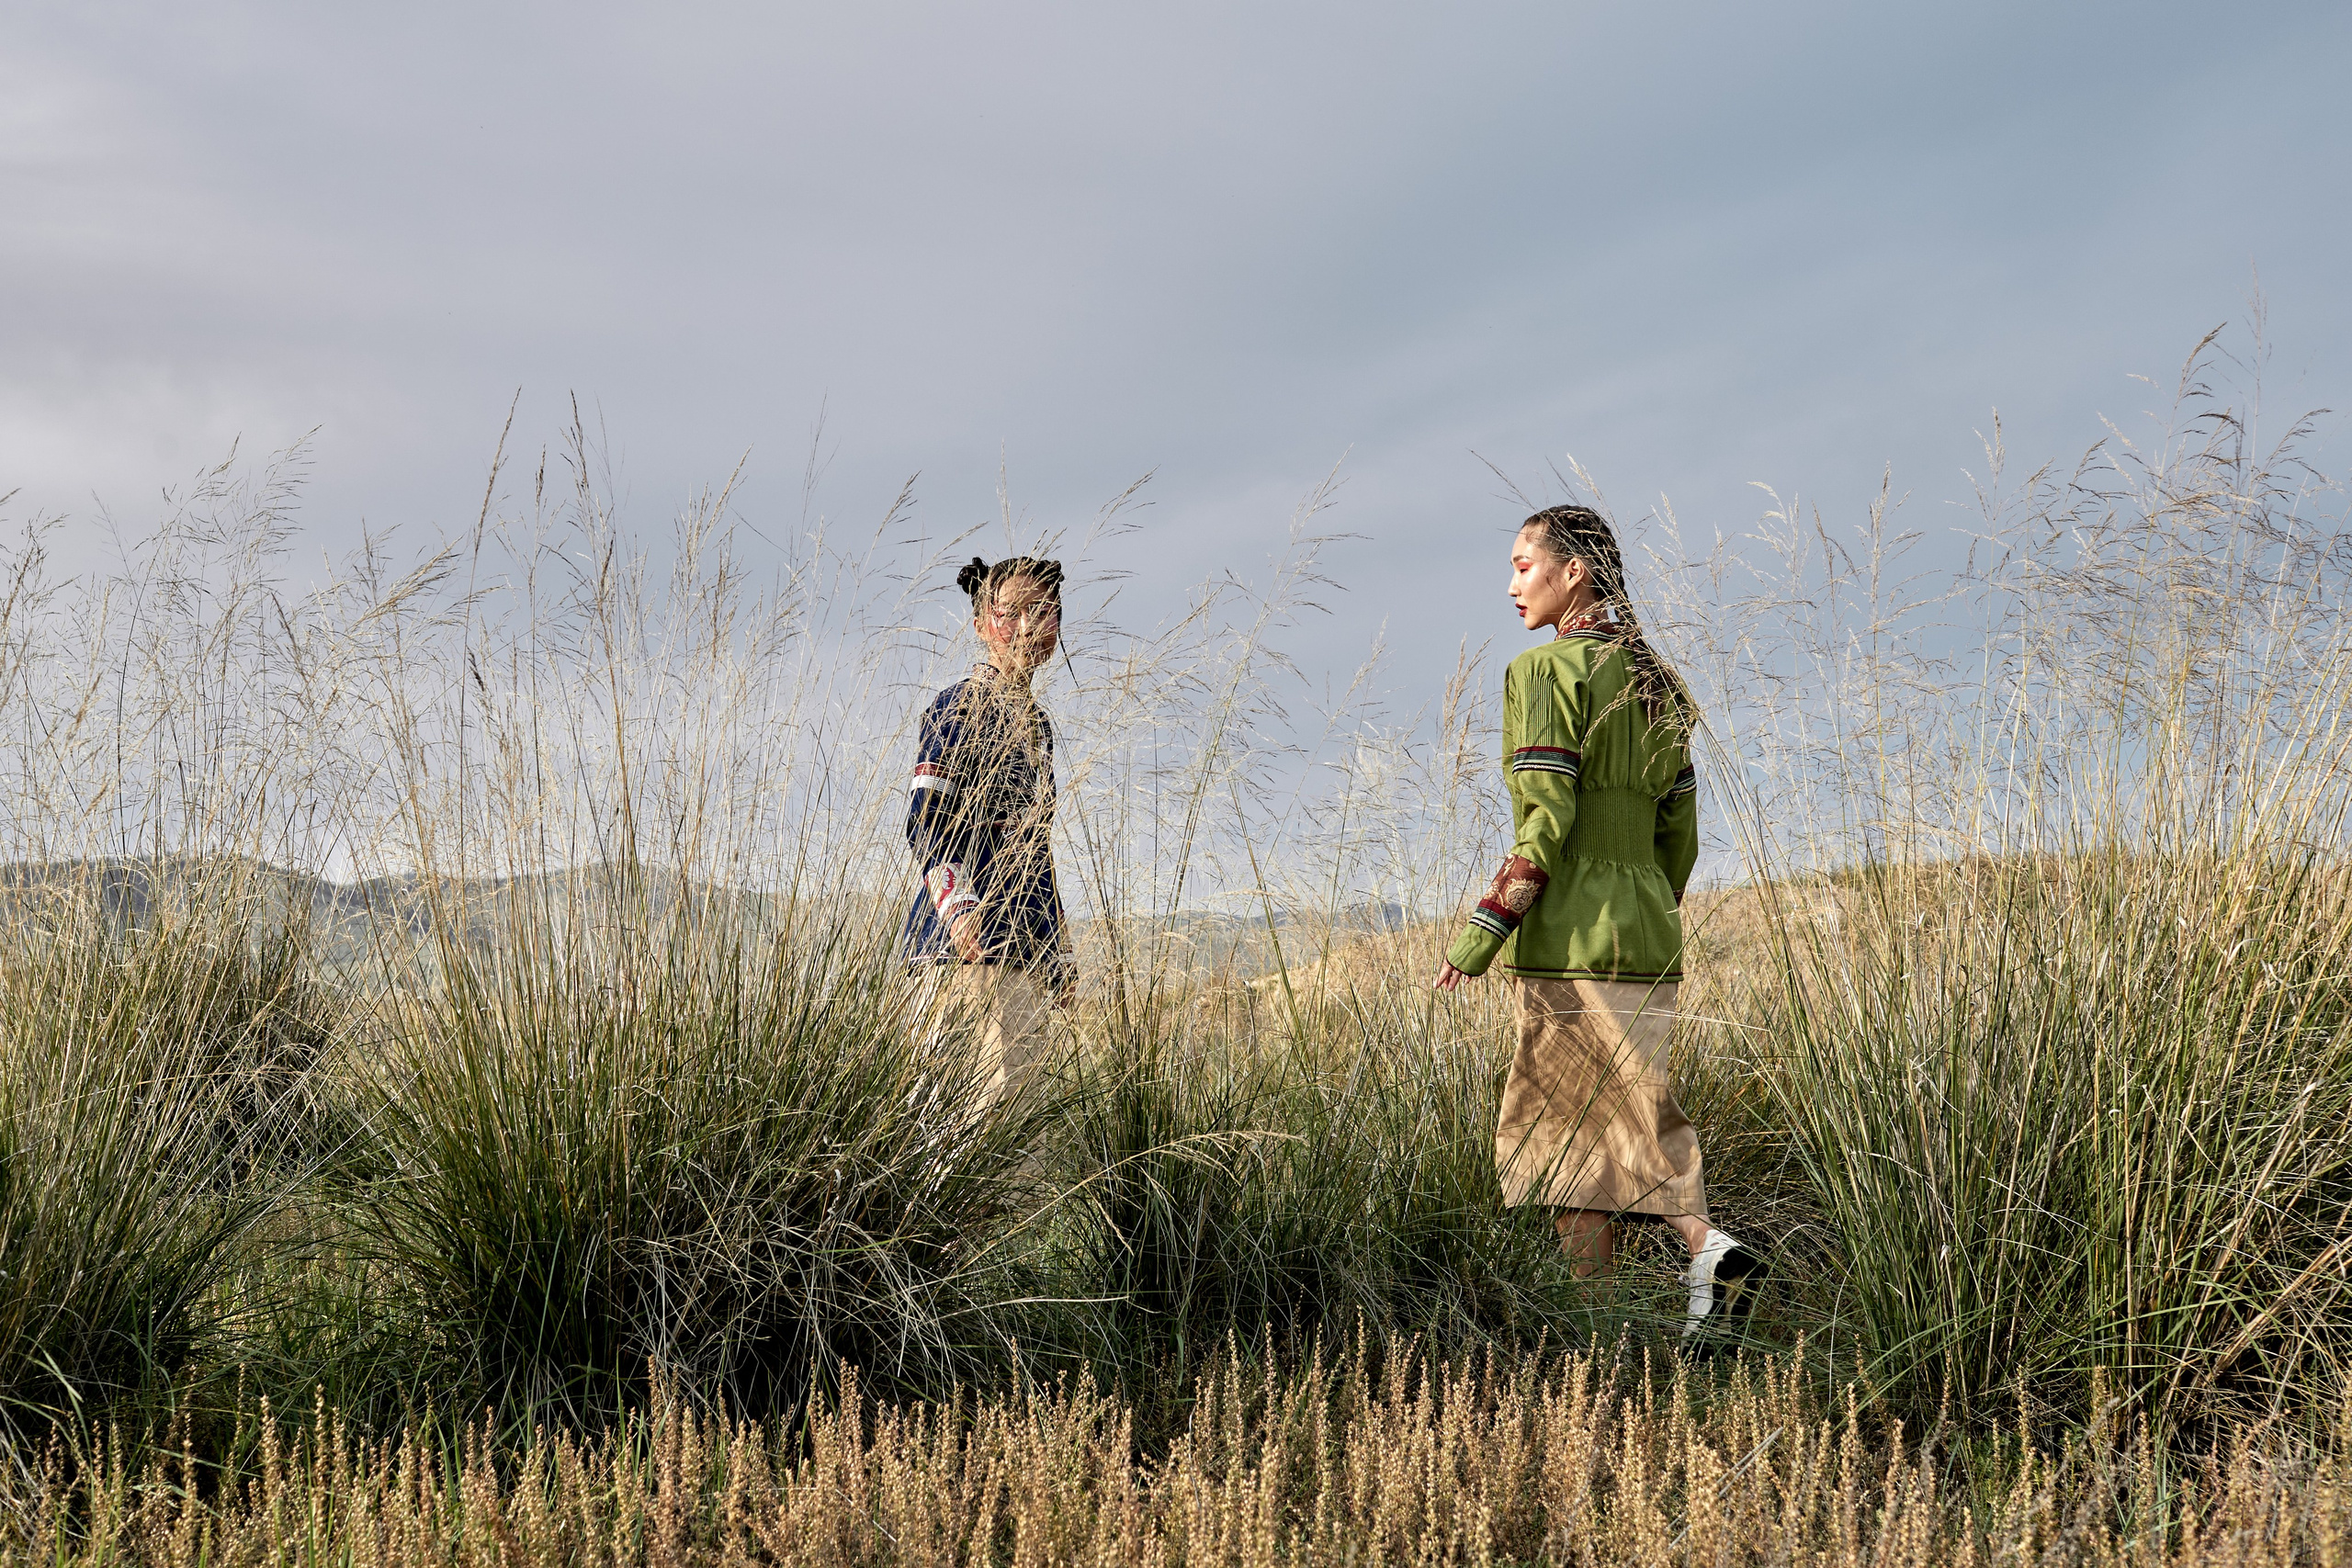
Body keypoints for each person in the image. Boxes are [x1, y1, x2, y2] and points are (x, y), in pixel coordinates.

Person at [1434, 505, 1762, 1335]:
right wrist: (1647, 903)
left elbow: (1542, 827)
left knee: (1573, 1133)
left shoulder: (1544, 676)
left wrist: (1480, 935)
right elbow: (1679, 832)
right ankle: (1607, 1328)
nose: (1511, 584)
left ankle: (1702, 1249)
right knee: (1593, 1142)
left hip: (1571, 936)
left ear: (1572, 571)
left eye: (1522, 565)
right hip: (1648, 928)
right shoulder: (1658, 681)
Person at [903, 554, 1075, 1110]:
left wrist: (1057, 954)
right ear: (981, 623)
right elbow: (925, 820)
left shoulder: (1036, 725)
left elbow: (1035, 853)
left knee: (1023, 1141)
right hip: (966, 951)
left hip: (1022, 952)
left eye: (1043, 612)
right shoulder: (959, 707)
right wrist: (959, 908)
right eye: (1012, 612)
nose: (1027, 627)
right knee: (972, 1126)